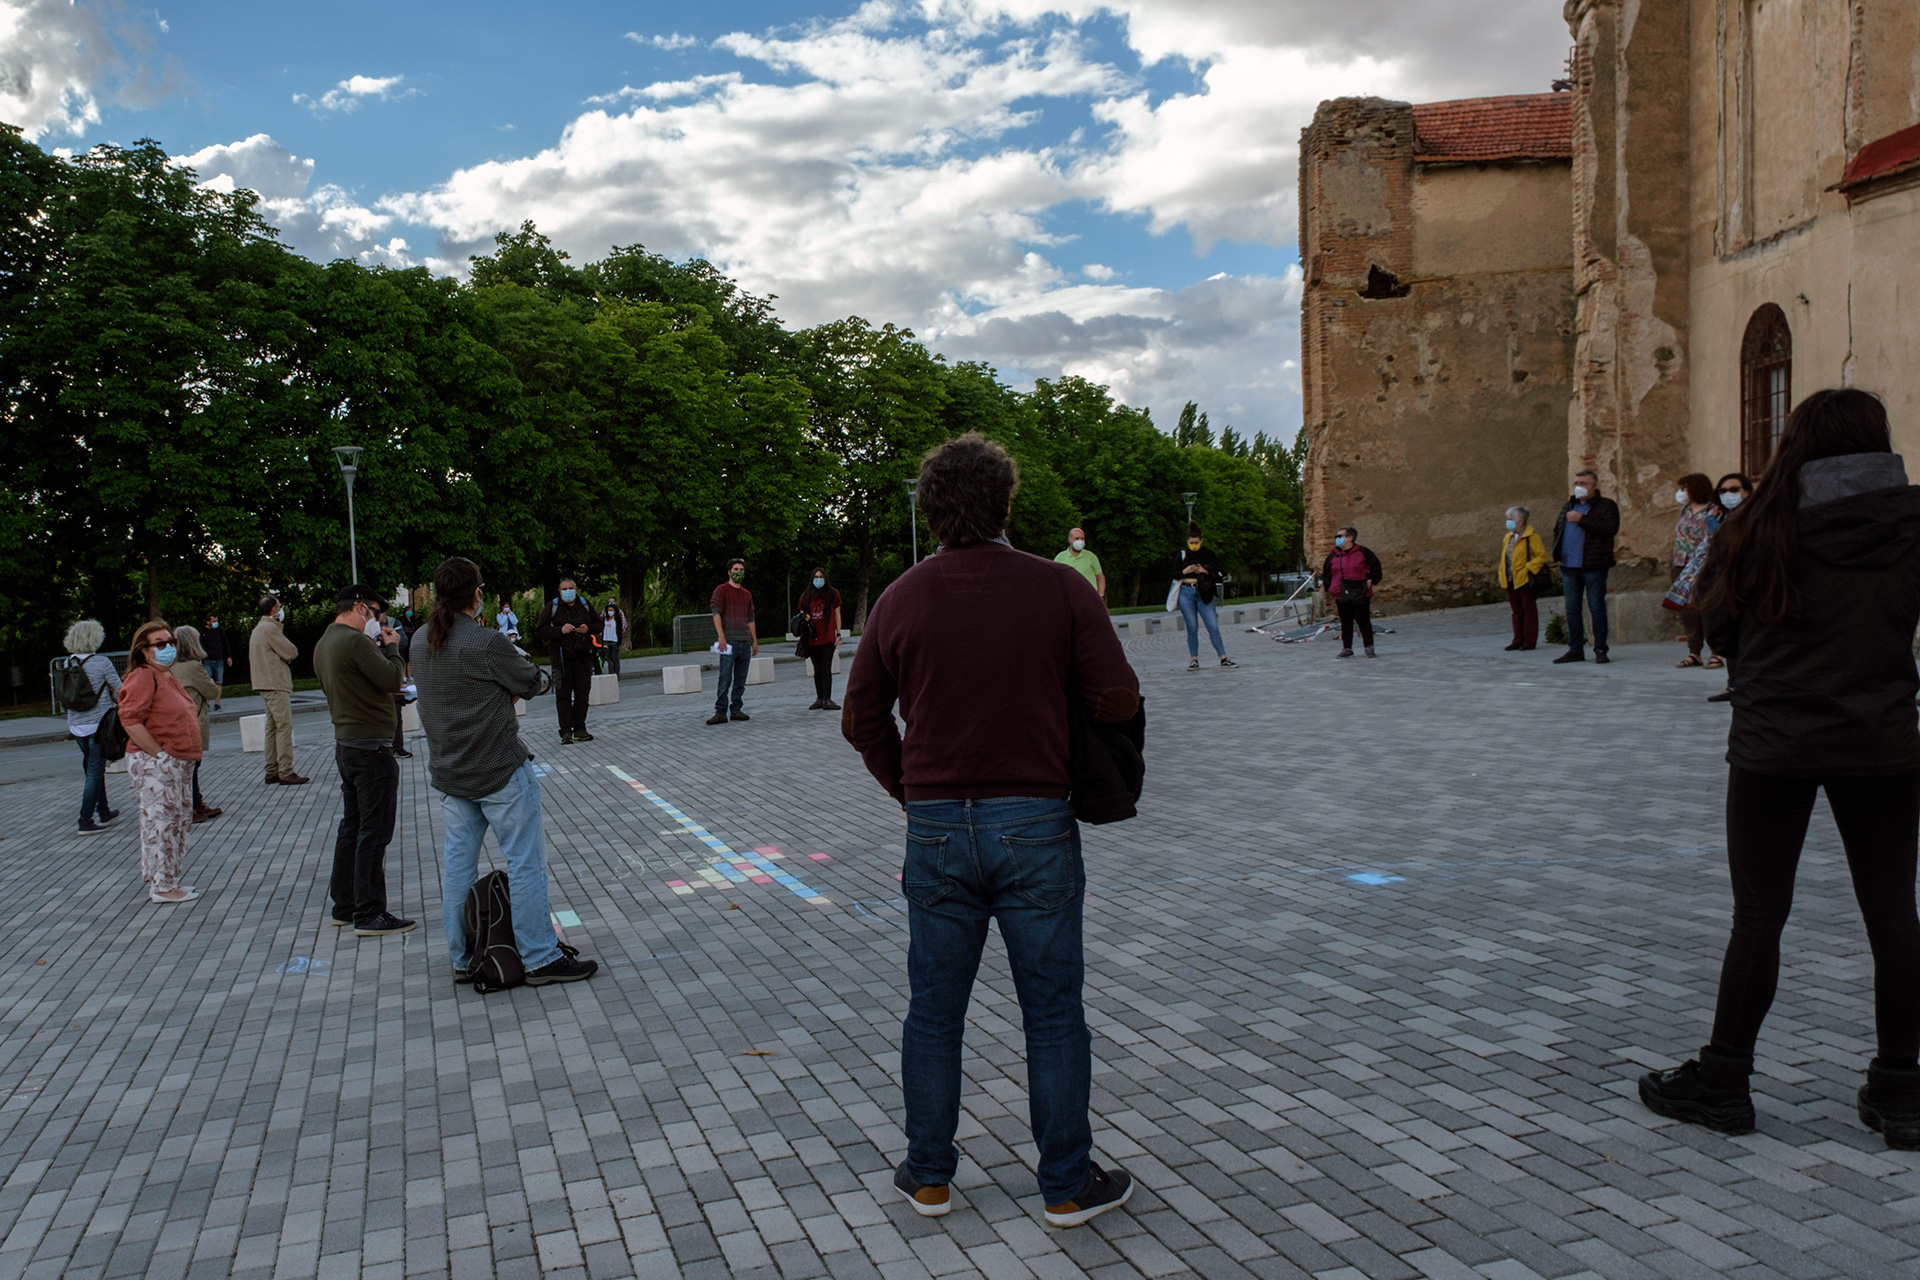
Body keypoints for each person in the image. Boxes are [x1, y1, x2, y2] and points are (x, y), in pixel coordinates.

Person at [842, 433, 1141, 1228]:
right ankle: (1067, 1183)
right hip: (1034, 819)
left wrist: (911, 788)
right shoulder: (1059, 589)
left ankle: (931, 1175)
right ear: (1007, 502)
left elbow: (860, 719)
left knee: (934, 1008)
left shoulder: (901, 598)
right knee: (1051, 1008)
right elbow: (1118, 694)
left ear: (929, 508)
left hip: (935, 825)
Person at [1638, 389, 1920, 1150]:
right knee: (1894, 913)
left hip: (1775, 742)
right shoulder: (1909, 519)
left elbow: (1718, 622)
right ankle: (1903, 1091)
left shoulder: (1757, 525)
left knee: (1759, 914)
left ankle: (1725, 1079)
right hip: (1883, 739)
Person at [412, 555, 598, 986]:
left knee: (458, 869)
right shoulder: (485, 641)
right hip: (499, 771)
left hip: (451, 773)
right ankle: (539, 957)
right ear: (476, 594)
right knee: (526, 864)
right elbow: (531, 681)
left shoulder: (421, 639)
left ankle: (462, 958)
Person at [314, 585, 416, 937]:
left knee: (353, 826)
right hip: (372, 747)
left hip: (348, 743)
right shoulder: (355, 641)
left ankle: (345, 904)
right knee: (374, 831)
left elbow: (357, 686)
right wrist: (392, 647)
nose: (378, 620)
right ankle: (370, 912)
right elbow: (390, 678)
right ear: (360, 608)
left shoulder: (326, 641)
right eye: (374, 613)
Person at [120, 620, 202, 904]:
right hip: (156, 763)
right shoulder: (144, 676)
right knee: (162, 824)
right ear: (144, 651)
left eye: (171, 642)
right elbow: (129, 719)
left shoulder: (165, 674)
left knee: (177, 823)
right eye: (160, 644)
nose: (168, 647)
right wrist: (160, 754)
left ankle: (167, 880)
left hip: (177, 761)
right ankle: (162, 887)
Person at [1550, 468, 1622, 665]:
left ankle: (1600, 649)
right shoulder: (1569, 505)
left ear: (1594, 486)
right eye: (1576, 483)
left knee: (1596, 607)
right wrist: (1558, 552)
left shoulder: (1606, 505)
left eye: (1583, 484)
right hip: (1569, 566)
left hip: (1593, 565)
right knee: (1572, 609)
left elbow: (1610, 528)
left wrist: (1583, 520)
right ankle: (1575, 649)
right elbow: (1558, 529)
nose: (1578, 487)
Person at [62, 619, 122, 835]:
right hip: (100, 724)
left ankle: (104, 811)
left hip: (76, 725)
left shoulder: (67, 663)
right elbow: (119, 690)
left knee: (92, 767)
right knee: (95, 770)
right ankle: (85, 819)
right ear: (94, 638)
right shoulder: (102, 662)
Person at [1665, 473, 1725, 670]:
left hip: (1703, 565)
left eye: (1685, 488)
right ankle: (1694, 652)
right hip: (1681, 564)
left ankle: (1717, 653)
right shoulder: (1685, 509)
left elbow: (1716, 535)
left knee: (1710, 609)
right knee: (1687, 611)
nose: (1681, 493)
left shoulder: (1713, 510)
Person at [1706, 473, 1754, 704]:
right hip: (1727, 585)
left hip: (1748, 586)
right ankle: (1733, 684)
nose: (1728, 495)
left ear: (1747, 491)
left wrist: (1714, 526)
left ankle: (1744, 685)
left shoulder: (1754, 516)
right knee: (1732, 637)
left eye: (1734, 490)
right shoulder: (1727, 516)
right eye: (1723, 491)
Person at [249, 594, 307, 784]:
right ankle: (286, 770)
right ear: (274, 610)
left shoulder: (258, 628)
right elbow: (291, 651)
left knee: (272, 727)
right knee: (283, 726)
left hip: (263, 682)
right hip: (275, 682)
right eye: (279, 606)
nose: (281, 610)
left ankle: (272, 770)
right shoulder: (270, 629)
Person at [535, 577, 597, 745]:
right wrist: (560, 630)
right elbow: (541, 629)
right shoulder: (552, 607)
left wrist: (587, 628)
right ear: (559, 591)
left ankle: (580, 728)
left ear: (576, 590)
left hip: (583, 656)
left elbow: (599, 624)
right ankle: (565, 731)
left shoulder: (584, 605)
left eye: (571, 588)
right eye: (564, 589)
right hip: (560, 658)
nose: (568, 591)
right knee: (563, 695)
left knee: (582, 694)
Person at [171, 626, 224, 823]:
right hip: (192, 721)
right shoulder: (193, 667)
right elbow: (211, 692)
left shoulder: (170, 666)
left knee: (187, 767)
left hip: (176, 722)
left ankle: (196, 802)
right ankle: (190, 806)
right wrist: (210, 681)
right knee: (192, 766)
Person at [1175, 524, 1236, 670]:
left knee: (1212, 626)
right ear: (1187, 542)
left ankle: (1223, 657)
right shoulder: (1182, 555)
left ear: (1201, 541)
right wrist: (1185, 571)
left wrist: (1205, 570)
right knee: (1192, 627)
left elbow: (1221, 573)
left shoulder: (1208, 554)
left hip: (1204, 592)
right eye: (1191, 543)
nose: (1194, 546)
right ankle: (1194, 659)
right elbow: (1174, 575)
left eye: (1196, 543)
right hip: (1186, 592)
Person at [707, 558, 759, 726]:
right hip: (728, 642)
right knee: (725, 677)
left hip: (744, 642)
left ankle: (736, 709)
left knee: (740, 679)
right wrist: (721, 636)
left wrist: (755, 641)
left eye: (741, 570)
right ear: (729, 572)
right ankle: (720, 711)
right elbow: (716, 614)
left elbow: (750, 618)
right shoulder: (721, 590)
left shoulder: (747, 594)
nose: (738, 572)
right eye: (735, 569)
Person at [1321, 526, 1383, 658]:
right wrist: (1329, 587)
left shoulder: (1363, 552)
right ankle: (1347, 647)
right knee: (1346, 621)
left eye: (1340, 536)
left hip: (1360, 591)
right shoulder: (1333, 555)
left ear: (1350, 538)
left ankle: (1369, 646)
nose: (1337, 539)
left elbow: (1376, 567)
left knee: (1363, 620)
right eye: (1336, 537)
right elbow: (1326, 573)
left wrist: (1371, 579)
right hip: (1340, 592)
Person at [1495, 506, 1549, 651]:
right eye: (1508, 519)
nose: (1508, 522)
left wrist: (1528, 569)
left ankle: (1529, 640)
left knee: (1528, 609)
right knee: (1516, 610)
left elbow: (1541, 556)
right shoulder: (1508, 537)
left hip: (1525, 579)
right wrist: (1502, 574)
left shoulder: (1531, 536)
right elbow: (1504, 558)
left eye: (1511, 519)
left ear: (1520, 521)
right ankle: (1517, 639)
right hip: (1510, 578)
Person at [798, 567, 842, 710]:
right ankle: (819, 697)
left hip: (827, 636)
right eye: (815, 577)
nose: (818, 579)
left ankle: (827, 698)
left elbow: (837, 614)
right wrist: (805, 618)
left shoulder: (832, 594)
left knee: (826, 667)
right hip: (812, 637)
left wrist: (838, 633)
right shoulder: (806, 596)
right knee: (817, 668)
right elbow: (801, 614)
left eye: (821, 577)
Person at [1053, 528, 1105, 600]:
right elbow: (1054, 578)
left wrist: (1101, 595)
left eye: (1082, 539)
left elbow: (1100, 576)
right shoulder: (1060, 557)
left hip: (1089, 597)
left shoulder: (1091, 556)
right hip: (1068, 598)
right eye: (1076, 538)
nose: (1080, 541)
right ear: (1069, 540)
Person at [201, 613, 230, 709]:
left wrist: (228, 656)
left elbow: (225, 642)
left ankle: (217, 703)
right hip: (207, 660)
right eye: (213, 621)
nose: (215, 623)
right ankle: (207, 703)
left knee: (219, 682)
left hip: (219, 659)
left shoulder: (219, 630)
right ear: (208, 622)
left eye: (216, 621)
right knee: (207, 682)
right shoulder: (203, 632)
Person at [599, 597, 627, 675]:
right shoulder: (604, 616)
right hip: (606, 641)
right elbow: (600, 624)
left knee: (615, 659)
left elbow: (623, 625)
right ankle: (611, 674)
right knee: (608, 659)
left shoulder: (618, 616)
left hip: (615, 641)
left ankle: (616, 674)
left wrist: (620, 635)